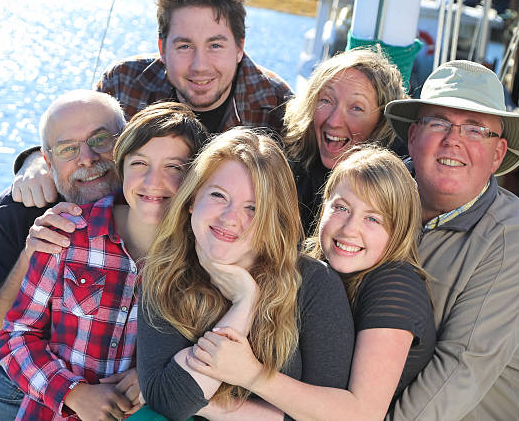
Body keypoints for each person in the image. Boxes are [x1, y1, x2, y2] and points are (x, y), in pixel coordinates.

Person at [13, 0, 292, 209]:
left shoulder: (276, 103)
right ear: (162, 47)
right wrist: (36, 160)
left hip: (223, 246)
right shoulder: (125, 82)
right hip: (132, 241)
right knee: (15, 208)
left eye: (215, 45)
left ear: (240, 47)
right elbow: (76, 138)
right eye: (184, 46)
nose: (199, 65)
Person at [186, 144, 436, 420]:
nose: (350, 228)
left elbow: (361, 414)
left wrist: (244, 378)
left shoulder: (395, 286)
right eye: (341, 208)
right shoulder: (310, 269)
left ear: (398, 231)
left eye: (373, 219)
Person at [0, 102, 209, 420]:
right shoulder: (66, 233)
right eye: (140, 164)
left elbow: (212, 342)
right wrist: (74, 393)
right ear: (120, 167)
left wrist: (155, 377)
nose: (153, 181)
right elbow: (15, 335)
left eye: (174, 168)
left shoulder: (204, 257)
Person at [135, 128, 355, 420]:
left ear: (272, 221)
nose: (230, 218)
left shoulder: (314, 284)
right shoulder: (165, 274)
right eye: (217, 195)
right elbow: (169, 402)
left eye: (252, 208)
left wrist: (230, 386)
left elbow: (326, 415)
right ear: (191, 200)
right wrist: (244, 303)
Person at [383, 60, 519, 420]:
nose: (453, 139)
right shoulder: (375, 199)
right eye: (438, 122)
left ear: (498, 154)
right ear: (413, 136)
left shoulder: (514, 239)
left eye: (475, 129)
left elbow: (459, 374)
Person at [0, 90, 126, 420]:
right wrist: (30, 253)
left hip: (109, 397)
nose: (88, 158)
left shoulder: (154, 202)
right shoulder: (14, 212)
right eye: (68, 149)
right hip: (8, 393)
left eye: (101, 140)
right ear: (48, 162)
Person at [282, 47, 407, 234]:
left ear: (381, 122)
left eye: (356, 108)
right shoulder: (289, 168)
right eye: (326, 100)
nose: (333, 121)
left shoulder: (396, 194)